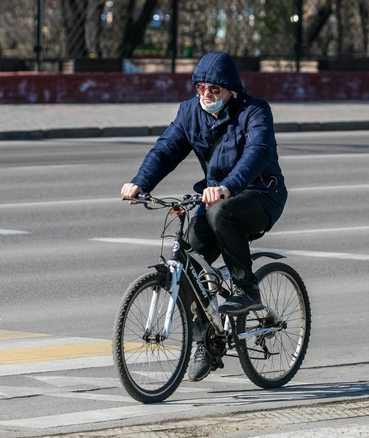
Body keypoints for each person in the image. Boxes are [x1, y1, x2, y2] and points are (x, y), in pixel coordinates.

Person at [121, 51, 287, 381]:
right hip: (214, 198)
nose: (206, 95)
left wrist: (227, 186)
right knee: (187, 262)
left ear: (231, 90)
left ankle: (246, 287)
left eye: (214, 89)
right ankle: (206, 342)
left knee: (223, 213)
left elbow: (257, 153)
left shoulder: (254, 112)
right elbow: (166, 150)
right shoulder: (189, 113)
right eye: (201, 88)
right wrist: (140, 182)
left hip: (259, 194)